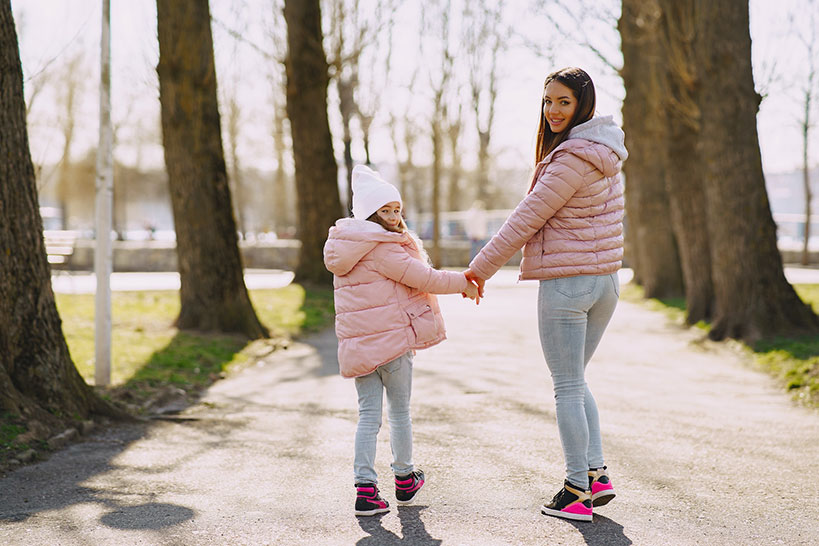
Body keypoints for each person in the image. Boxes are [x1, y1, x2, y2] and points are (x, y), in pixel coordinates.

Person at [465, 67, 627, 522]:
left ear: (583, 106)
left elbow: (525, 219)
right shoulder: (606, 150)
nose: (553, 111)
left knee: (568, 386)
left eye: (564, 102)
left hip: (569, 285)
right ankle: (596, 475)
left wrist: (479, 270)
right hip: (606, 283)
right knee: (577, 381)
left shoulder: (571, 159)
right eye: (548, 101)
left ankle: (576, 489)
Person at [324, 164, 479, 517]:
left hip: (359, 348)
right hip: (392, 345)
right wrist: (464, 283)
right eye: (386, 211)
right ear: (369, 213)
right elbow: (424, 278)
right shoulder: (383, 248)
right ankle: (405, 478)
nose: (394, 217)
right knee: (399, 412)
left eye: (397, 210)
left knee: (367, 415)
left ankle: (365, 490)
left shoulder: (345, 247)